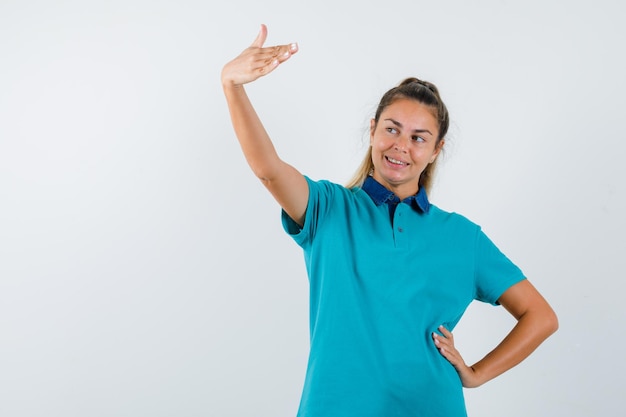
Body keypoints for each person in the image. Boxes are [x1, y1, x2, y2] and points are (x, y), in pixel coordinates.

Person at [221, 24, 558, 417]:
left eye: (419, 137)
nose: (401, 146)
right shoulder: (328, 209)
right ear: (373, 130)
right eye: (392, 129)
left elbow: (541, 317)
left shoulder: (463, 237)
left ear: (436, 150)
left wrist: (476, 374)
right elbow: (268, 169)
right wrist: (233, 86)